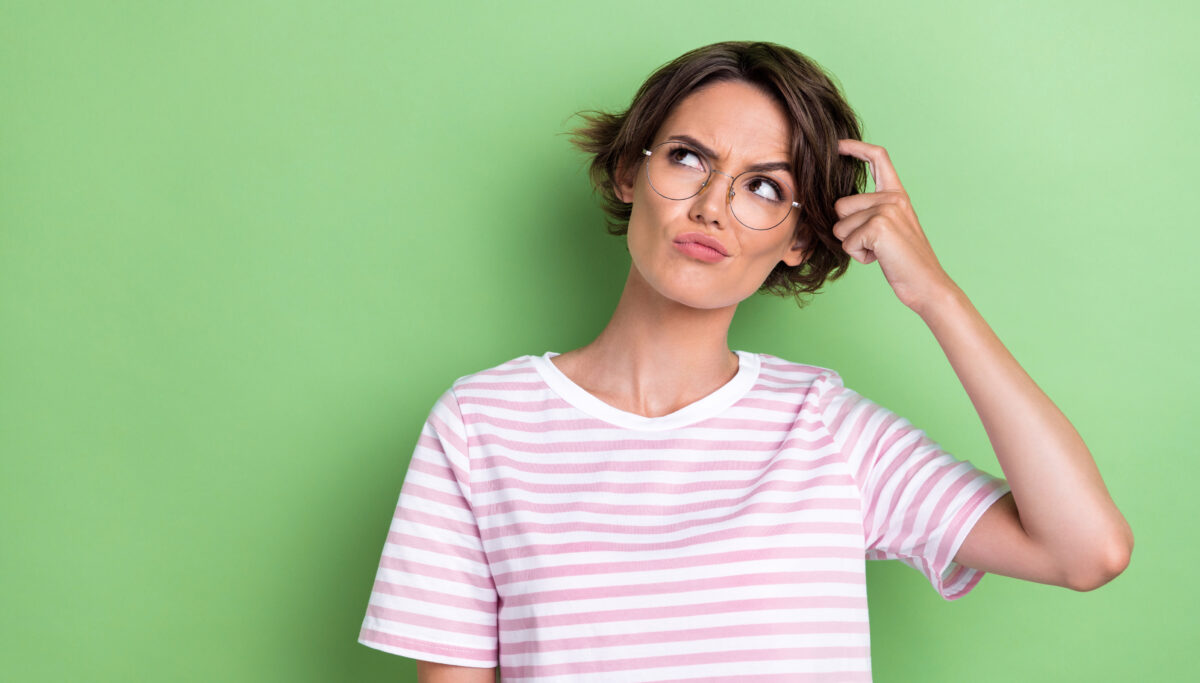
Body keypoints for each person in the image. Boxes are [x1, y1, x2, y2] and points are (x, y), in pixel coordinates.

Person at [357, 41, 1133, 682]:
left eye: (765, 186)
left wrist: (935, 293)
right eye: (690, 158)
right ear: (631, 172)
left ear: (800, 238)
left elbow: (1087, 548)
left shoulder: (824, 427)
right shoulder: (480, 424)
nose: (713, 207)